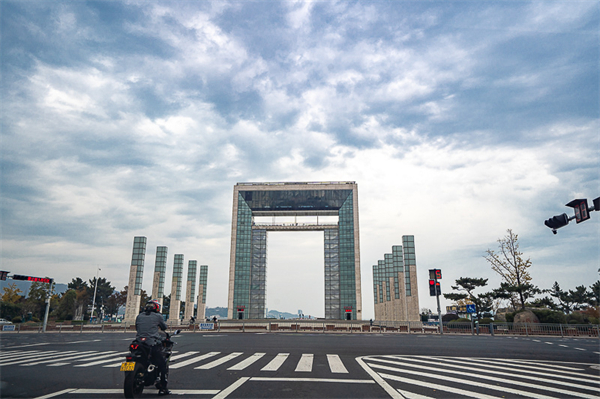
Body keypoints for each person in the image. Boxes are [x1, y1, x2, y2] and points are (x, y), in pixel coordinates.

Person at [136, 300, 170, 395]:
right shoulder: (158, 316)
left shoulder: (139, 316)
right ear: (157, 308)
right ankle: (163, 388)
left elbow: (137, 327)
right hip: (151, 344)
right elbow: (164, 327)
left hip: (138, 343)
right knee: (162, 364)